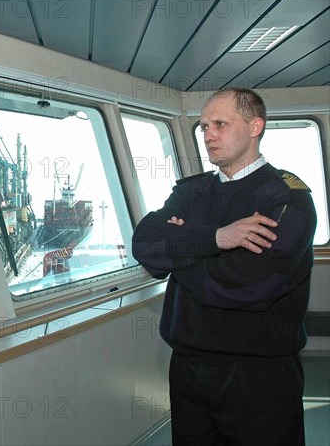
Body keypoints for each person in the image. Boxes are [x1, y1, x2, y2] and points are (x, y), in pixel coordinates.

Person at [132, 88, 316, 445]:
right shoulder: (191, 192)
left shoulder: (286, 198)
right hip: (187, 367)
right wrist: (216, 239)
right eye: (203, 127)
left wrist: (177, 257)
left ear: (254, 127)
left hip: (258, 373)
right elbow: (145, 245)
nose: (208, 135)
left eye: (220, 124)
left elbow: (248, 286)